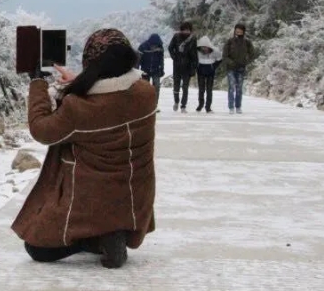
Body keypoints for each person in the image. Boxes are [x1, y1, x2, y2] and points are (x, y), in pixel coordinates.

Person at [12, 29, 156, 269]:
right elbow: (110, 92)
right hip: (134, 201)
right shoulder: (146, 93)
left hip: (92, 201)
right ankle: (113, 233)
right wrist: (80, 82)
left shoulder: (79, 109)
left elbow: (42, 130)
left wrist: (37, 83)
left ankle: (101, 237)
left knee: (36, 248)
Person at [222, 23, 256, 114]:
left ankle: (238, 106)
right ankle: (231, 107)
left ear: (243, 31)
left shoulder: (247, 42)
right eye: (237, 30)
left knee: (239, 88)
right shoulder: (229, 41)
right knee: (231, 87)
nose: (238, 31)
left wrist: (246, 61)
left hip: (241, 68)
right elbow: (224, 55)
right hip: (231, 68)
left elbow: (252, 54)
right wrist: (231, 62)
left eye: (240, 30)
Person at [168, 21, 197, 113]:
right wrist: (174, 57)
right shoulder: (176, 37)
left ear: (190, 30)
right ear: (181, 30)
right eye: (184, 30)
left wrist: (194, 67)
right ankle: (176, 101)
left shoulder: (193, 39)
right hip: (177, 65)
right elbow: (170, 48)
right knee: (176, 86)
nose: (186, 32)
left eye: (188, 30)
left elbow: (194, 54)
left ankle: (183, 106)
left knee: (185, 87)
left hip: (187, 66)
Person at [195, 36, 222, 113]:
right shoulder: (197, 51)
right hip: (200, 71)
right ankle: (200, 104)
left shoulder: (215, 51)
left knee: (209, 90)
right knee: (201, 89)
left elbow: (220, 59)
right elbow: (193, 59)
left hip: (210, 72)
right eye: (202, 47)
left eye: (206, 47)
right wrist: (196, 67)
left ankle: (208, 107)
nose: (204, 49)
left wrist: (214, 66)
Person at [137, 33, 164, 102]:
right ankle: (145, 103)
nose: (154, 47)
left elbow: (161, 60)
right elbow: (138, 60)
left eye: (156, 45)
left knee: (157, 86)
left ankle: (155, 104)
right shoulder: (143, 46)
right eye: (153, 45)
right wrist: (137, 71)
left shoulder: (160, 47)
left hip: (156, 70)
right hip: (145, 70)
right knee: (145, 88)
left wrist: (162, 69)